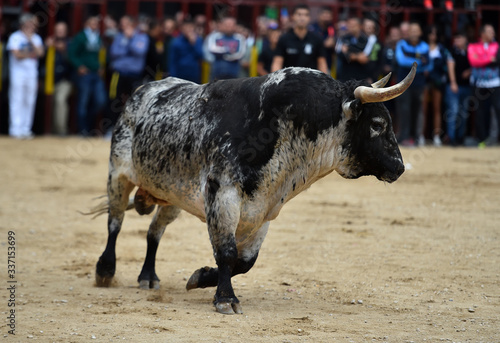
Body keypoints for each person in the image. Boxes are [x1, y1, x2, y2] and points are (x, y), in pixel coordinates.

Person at [6, 13, 44, 139]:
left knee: (29, 100)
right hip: (18, 74)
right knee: (17, 100)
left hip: (32, 74)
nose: (32, 26)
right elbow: (17, 55)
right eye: (30, 24)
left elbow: (40, 53)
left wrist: (30, 41)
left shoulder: (36, 38)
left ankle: (26, 129)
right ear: (24, 24)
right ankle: (15, 129)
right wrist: (31, 52)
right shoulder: (15, 37)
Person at [68, 15, 107, 136]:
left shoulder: (98, 38)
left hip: (96, 73)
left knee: (100, 101)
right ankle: (82, 130)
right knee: (83, 102)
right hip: (85, 74)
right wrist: (79, 66)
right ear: (86, 24)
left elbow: (103, 54)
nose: (95, 26)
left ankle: (89, 126)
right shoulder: (81, 37)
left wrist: (102, 66)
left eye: (96, 23)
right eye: (92, 23)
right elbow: (71, 54)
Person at [108, 15, 149, 128]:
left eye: (125, 24)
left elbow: (140, 52)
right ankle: (111, 127)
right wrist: (129, 50)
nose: (123, 26)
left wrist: (130, 40)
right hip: (118, 73)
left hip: (134, 75)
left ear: (132, 25)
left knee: (135, 101)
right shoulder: (119, 36)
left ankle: (132, 128)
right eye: (122, 24)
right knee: (114, 100)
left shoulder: (142, 36)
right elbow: (113, 53)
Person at [394, 22, 431, 146]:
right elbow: (401, 61)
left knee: (417, 110)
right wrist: (419, 61)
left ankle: (415, 137)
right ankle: (403, 137)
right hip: (403, 84)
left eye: (416, 30)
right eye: (412, 30)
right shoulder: (401, 44)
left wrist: (412, 61)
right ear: (407, 33)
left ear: (420, 33)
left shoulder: (425, 46)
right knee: (404, 110)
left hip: (419, 83)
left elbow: (429, 65)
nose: (414, 33)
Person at [468, 24, 500, 148]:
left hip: (495, 83)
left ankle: (496, 139)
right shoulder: (473, 46)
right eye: (490, 31)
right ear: (482, 34)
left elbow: (497, 61)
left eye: (493, 31)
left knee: (498, 110)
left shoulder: (497, 46)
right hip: (478, 83)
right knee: (480, 112)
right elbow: (473, 61)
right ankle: (482, 139)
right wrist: (488, 59)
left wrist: (481, 59)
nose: (493, 33)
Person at [271, 4, 328, 74]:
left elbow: (322, 63)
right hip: (289, 81)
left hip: (311, 82)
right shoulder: (284, 39)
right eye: (299, 14)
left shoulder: (317, 39)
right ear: (293, 16)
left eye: (305, 15)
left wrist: (324, 81)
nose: (302, 18)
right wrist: (276, 80)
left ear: (309, 18)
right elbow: (277, 63)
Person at [421, 26, 450, 147]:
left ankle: (437, 136)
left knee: (437, 108)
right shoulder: (422, 47)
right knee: (423, 109)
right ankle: (421, 136)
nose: (433, 36)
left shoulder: (442, 49)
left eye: (435, 34)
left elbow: (446, 64)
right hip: (424, 81)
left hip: (437, 81)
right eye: (431, 33)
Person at [45, 22, 72, 135]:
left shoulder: (71, 44)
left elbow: (72, 60)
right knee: (47, 102)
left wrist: (64, 50)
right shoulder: (48, 43)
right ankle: (46, 130)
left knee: (60, 100)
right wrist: (46, 47)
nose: (60, 32)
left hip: (65, 80)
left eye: (62, 30)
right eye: (58, 30)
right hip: (48, 80)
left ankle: (61, 131)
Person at [446, 32, 471, 146]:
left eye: (459, 38)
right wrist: (453, 83)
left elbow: (477, 63)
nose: (456, 41)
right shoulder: (452, 52)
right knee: (454, 112)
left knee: (464, 112)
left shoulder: (470, 51)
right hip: (454, 86)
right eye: (455, 39)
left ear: (465, 39)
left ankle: (461, 138)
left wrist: (469, 71)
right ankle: (452, 138)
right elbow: (450, 67)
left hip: (467, 86)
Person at [336, 17, 369, 82]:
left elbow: (365, 58)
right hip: (345, 76)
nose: (351, 27)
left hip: (361, 76)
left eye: (354, 25)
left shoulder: (366, 40)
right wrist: (357, 56)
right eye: (349, 25)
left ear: (360, 26)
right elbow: (340, 53)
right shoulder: (343, 38)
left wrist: (349, 52)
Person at [311, 6, 335, 72]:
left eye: (328, 15)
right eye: (324, 15)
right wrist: (324, 44)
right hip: (313, 64)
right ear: (319, 15)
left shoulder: (331, 28)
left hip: (327, 63)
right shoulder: (312, 28)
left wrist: (334, 44)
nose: (326, 18)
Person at [362, 18, 383, 83]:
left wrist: (372, 77)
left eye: (371, 27)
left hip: (372, 78)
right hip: (358, 76)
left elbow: (380, 62)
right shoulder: (358, 41)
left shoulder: (378, 43)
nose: (368, 28)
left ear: (374, 29)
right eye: (367, 26)